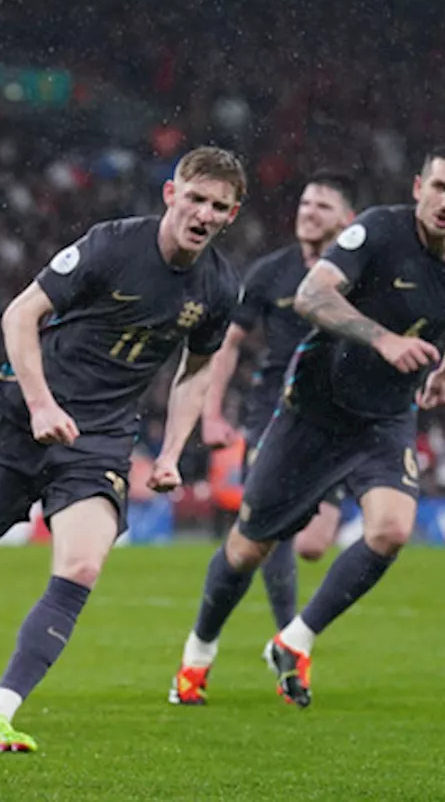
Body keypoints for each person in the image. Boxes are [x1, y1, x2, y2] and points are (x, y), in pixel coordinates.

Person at [0, 147, 246, 752]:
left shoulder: (218, 287)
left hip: (100, 439)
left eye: (218, 206)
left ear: (232, 215)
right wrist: (41, 404)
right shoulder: (110, 245)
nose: (204, 213)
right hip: (22, 420)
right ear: (170, 194)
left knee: (81, 564)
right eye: (195, 198)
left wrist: (170, 454)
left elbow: (196, 370)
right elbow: (20, 314)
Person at [170, 145, 445, 709]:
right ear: (418, 187)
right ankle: (197, 655)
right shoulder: (377, 231)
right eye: (439, 187)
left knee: (392, 530)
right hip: (314, 410)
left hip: (386, 417)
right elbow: (311, 293)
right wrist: (383, 338)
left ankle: (294, 640)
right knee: (249, 548)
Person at [189, 171, 357, 655]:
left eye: (322, 206)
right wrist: (212, 412)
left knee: (312, 545)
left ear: (346, 221)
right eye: (304, 203)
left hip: (337, 415)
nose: (308, 212)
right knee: (269, 526)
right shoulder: (270, 272)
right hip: (274, 410)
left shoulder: (359, 271)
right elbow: (228, 343)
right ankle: (286, 642)